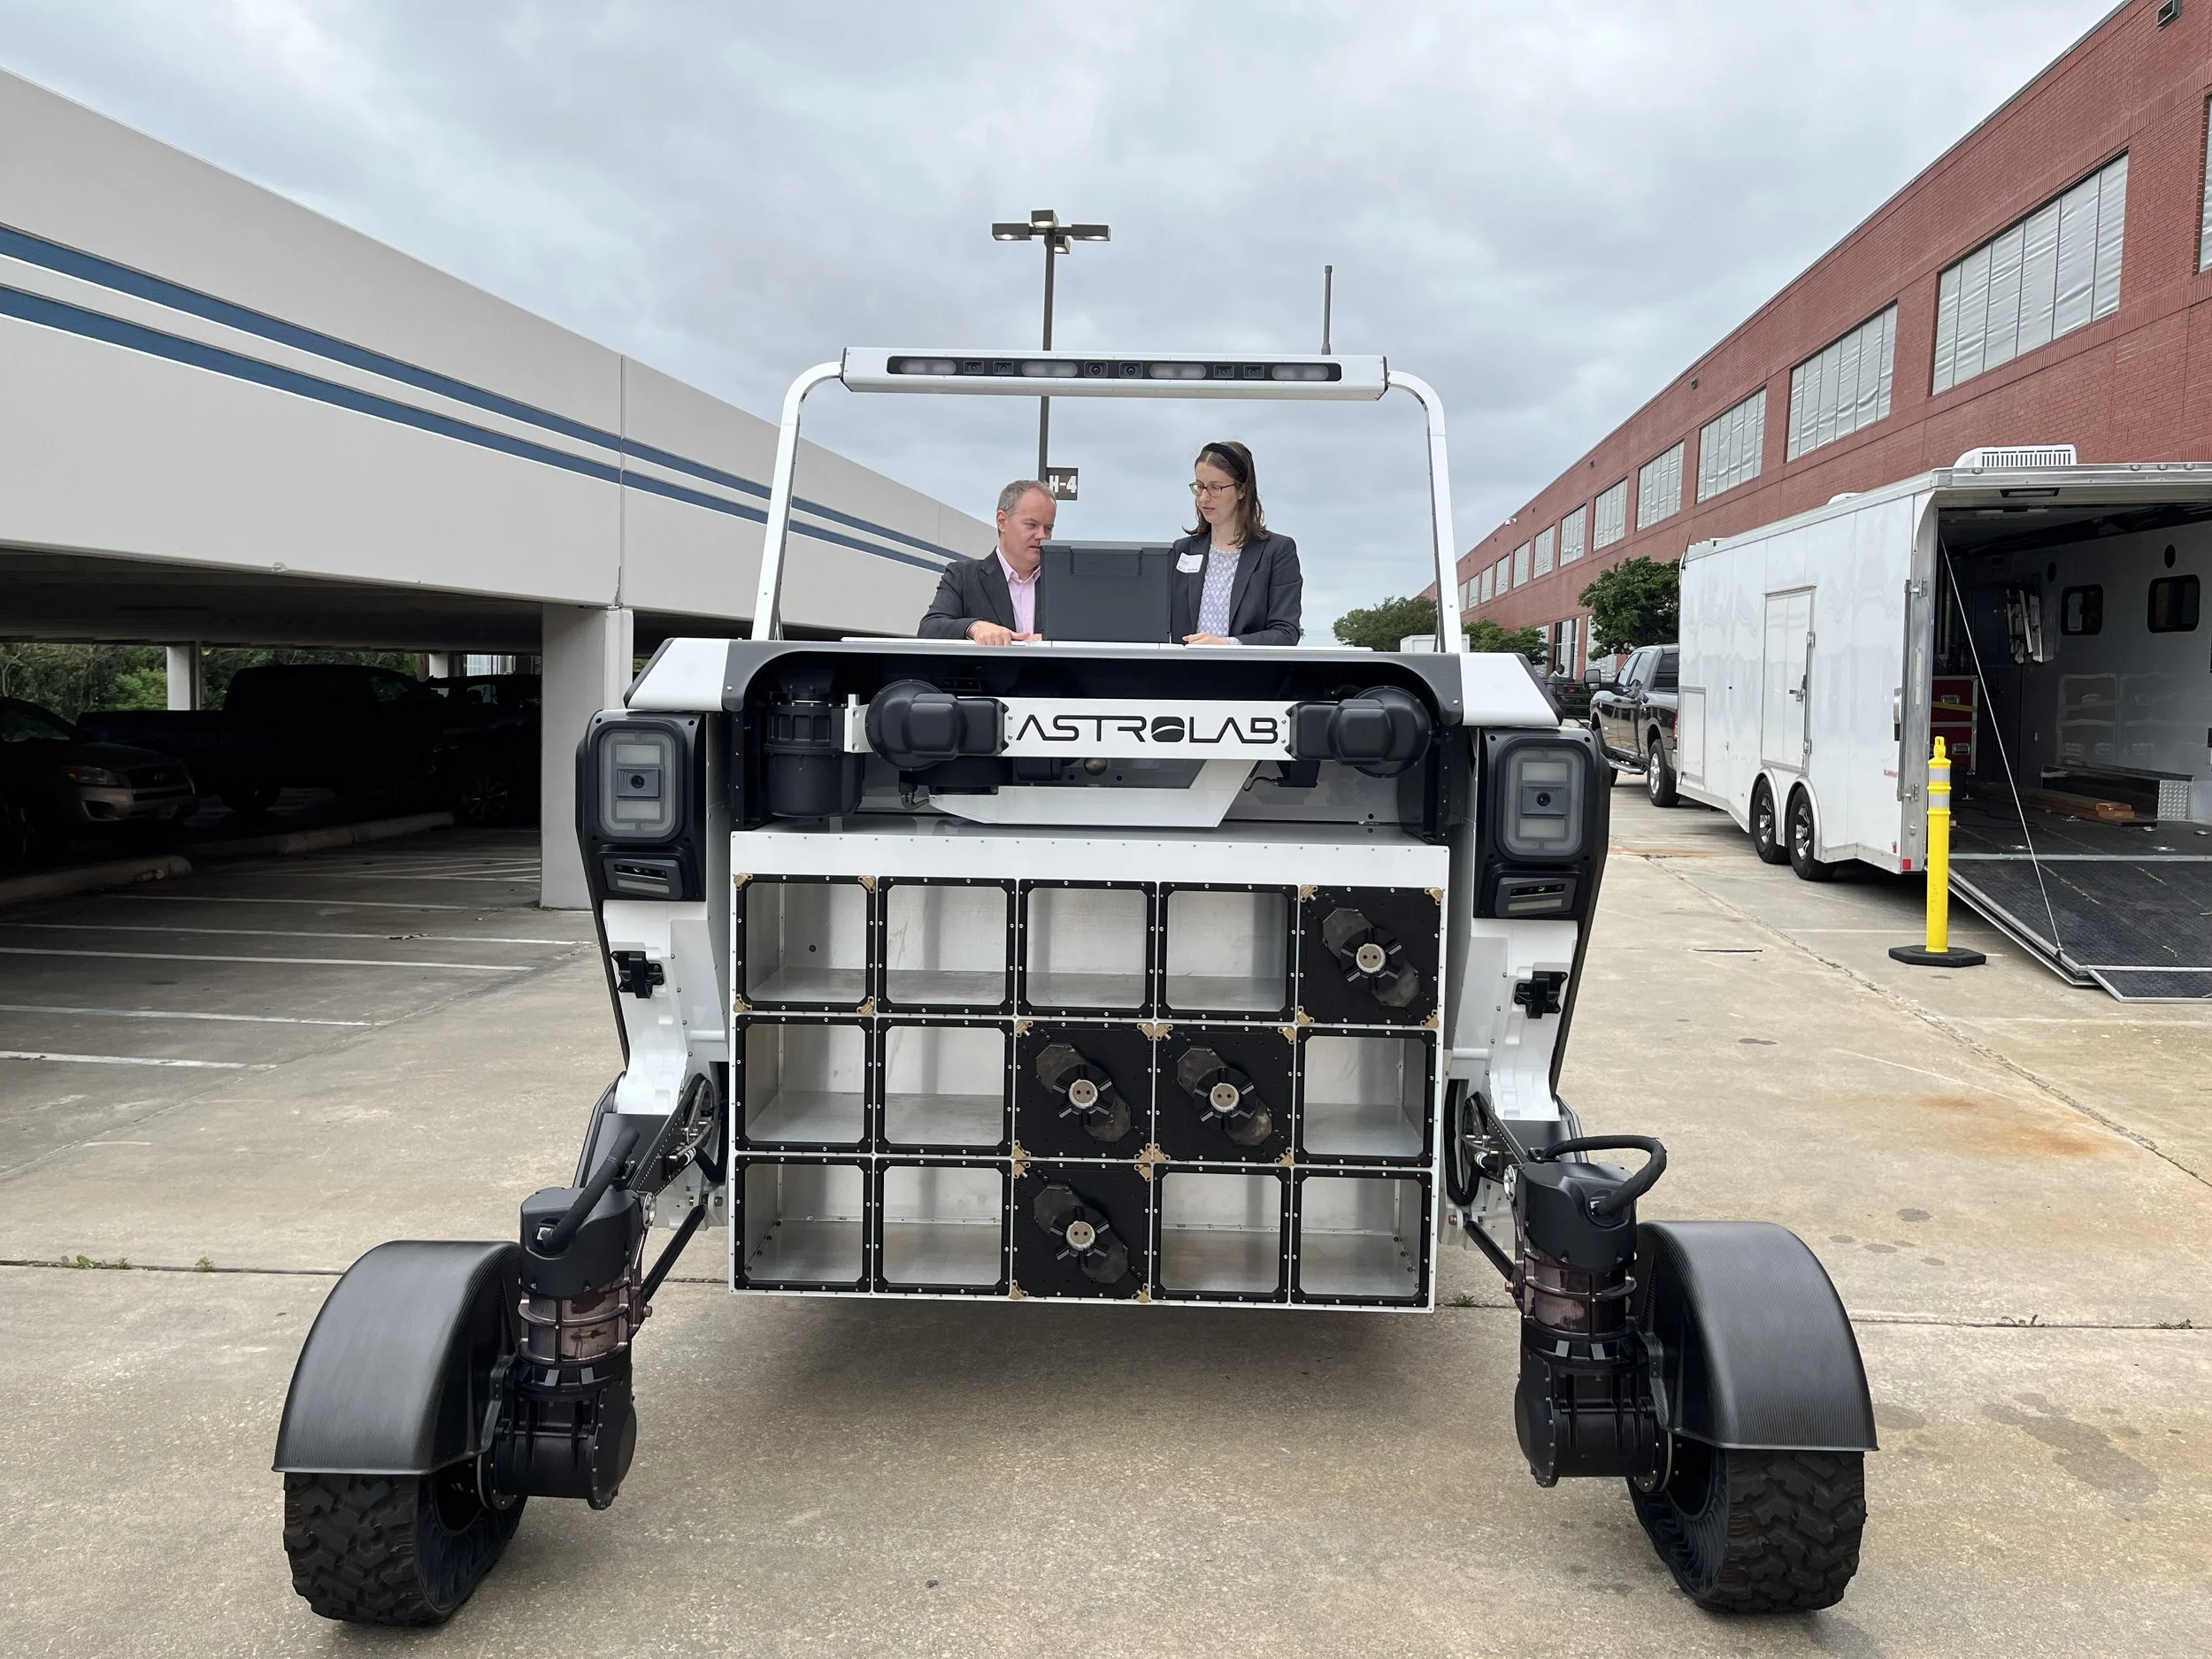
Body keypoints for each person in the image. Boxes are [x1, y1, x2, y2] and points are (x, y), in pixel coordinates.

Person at [1168, 441, 1302, 647]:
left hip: (1248, 674)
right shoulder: (1181, 551)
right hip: (1186, 674)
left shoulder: (1277, 552)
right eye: (1199, 486)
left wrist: (1228, 645)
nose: (1204, 497)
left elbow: (1285, 633)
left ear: (1242, 491)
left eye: (1215, 488)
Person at [918, 479, 1055, 644]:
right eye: (1031, 525)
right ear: (1002, 521)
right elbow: (930, 628)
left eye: (1048, 528)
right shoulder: (963, 577)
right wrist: (975, 627)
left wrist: (1053, 641)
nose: (1042, 536)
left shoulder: (1063, 584)